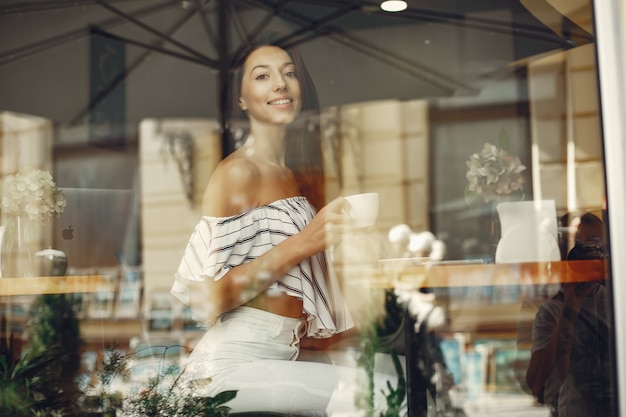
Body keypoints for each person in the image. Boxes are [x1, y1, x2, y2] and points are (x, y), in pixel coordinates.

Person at [171, 35, 404, 414]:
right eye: (262, 76)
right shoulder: (237, 172)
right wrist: (302, 243)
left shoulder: (293, 177)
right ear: (241, 100)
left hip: (284, 356)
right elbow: (206, 298)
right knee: (389, 396)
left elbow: (297, 286)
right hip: (232, 367)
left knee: (399, 380)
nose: (280, 83)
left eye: (289, 73)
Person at [526, 212, 615, 417]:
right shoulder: (551, 310)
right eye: (579, 246)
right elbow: (536, 382)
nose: (585, 253)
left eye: (595, 246)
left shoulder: (617, 301)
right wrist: (572, 303)